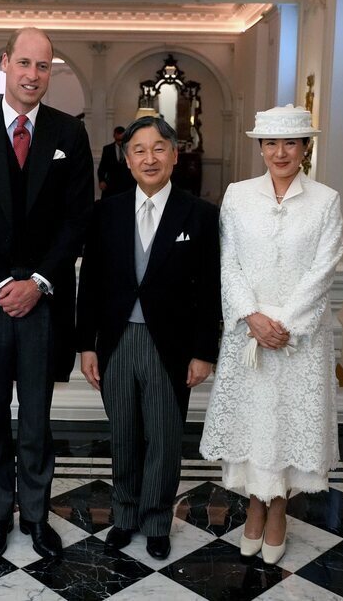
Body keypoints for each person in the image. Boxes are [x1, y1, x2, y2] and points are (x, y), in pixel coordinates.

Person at [0, 27, 94, 563]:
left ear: (51, 73)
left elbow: (77, 220)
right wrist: (4, 285)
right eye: (24, 63)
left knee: (36, 421)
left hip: (44, 305)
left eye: (44, 66)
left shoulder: (69, 136)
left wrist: (38, 284)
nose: (33, 74)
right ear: (6, 63)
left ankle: (35, 515)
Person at [200, 104, 343, 565]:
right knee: (256, 423)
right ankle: (253, 508)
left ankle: (278, 508)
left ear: (306, 148)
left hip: (299, 339)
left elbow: (325, 268)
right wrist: (252, 317)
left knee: (287, 426)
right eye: (270, 143)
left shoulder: (326, 200)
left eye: (290, 143)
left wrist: (285, 323)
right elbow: (227, 262)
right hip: (250, 335)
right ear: (260, 147)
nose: (279, 152)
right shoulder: (238, 195)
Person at [77, 116, 221, 560]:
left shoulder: (199, 214)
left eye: (159, 148)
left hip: (170, 346)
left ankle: (157, 519)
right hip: (117, 342)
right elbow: (92, 284)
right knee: (122, 434)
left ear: (175, 155)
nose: (149, 157)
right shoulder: (106, 212)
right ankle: (124, 514)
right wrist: (85, 345)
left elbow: (210, 289)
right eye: (139, 150)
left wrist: (202, 352)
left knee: (162, 436)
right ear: (127, 158)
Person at [97, 126, 135, 198]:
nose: (120, 142)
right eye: (117, 140)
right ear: (114, 136)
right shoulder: (107, 149)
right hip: (111, 184)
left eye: (121, 140)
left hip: (128, 184)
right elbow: (102, 167)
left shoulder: (131, 148)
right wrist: (101, 180)